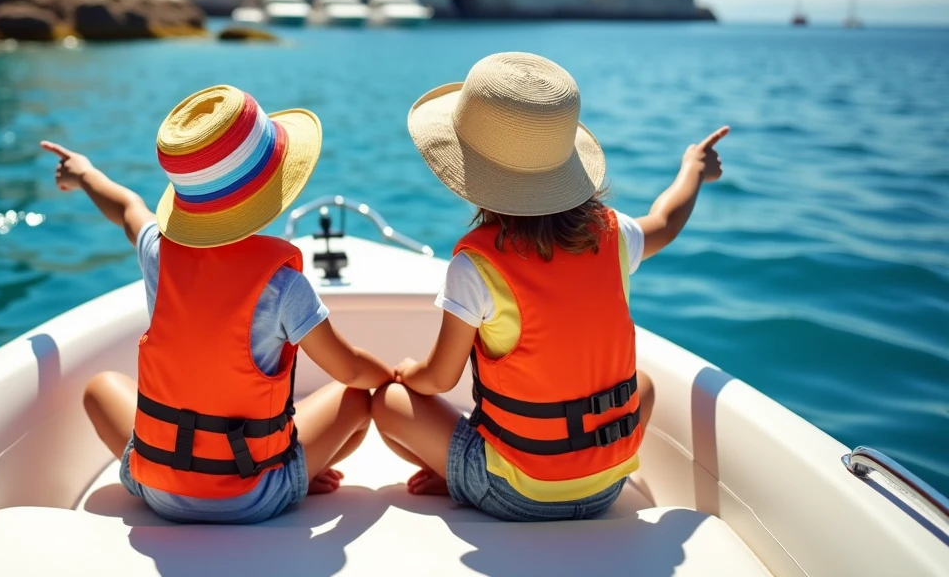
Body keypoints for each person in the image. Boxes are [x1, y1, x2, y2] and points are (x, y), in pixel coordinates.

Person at [371, 52, 729, 522]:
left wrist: (405, 373)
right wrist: (694, 169)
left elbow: (439, 379)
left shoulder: (476, 266)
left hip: (515, 492)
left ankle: (464, 479)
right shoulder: (612, 233)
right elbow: (665, 220)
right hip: (608, 485)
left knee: (389, 403)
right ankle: (474, 476)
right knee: (641, 385)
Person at [43, 85, 391, 524]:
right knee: (358, 398)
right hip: (254, 493)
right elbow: (351, 371)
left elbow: (128, 208)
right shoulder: (282, 285)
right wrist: (392, 378)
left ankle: (287, 469)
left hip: (156, 486)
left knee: (100, 387)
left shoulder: (159, 252)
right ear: (273, 193)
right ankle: (296, 473)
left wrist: (84, 172)